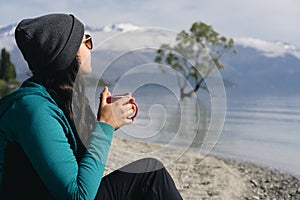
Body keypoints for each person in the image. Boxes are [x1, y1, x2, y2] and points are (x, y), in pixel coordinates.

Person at [0, 13, 183, 200]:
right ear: (67, 54)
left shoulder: (51, 99)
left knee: (149, 173)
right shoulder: (33, 110)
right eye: (85, 41)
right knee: (151, 175)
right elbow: (79, 196)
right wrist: (105, 127)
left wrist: (106, 121)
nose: (91, 47)